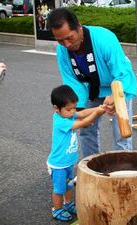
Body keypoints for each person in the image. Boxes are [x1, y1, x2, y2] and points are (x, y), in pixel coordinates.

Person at [47, 8, 137, 158]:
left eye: (69, 38)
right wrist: (78, 109)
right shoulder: (62, 50)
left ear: (79, 27)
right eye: (60, 41)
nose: (66, 44)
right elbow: (71, 80)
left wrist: (115, 95)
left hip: (117, 86)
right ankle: (91, 168)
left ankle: (124, 171)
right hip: (90, 89)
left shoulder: (104, 39)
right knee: (86, 130)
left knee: (122, 131)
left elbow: (122, 72)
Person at [47, 85, 105, 221]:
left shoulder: (67, 115)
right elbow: (84, 121)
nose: (72, 111)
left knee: (68, 185)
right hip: (58, 164)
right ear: (56, 108)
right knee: (59, 189)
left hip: (68, 162)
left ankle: (67, 204)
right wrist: (97, 113)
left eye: (74, 107)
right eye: (69, 109)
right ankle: (57, 209)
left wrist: (98, 108)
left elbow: (83, 113)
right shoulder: (60, 121)